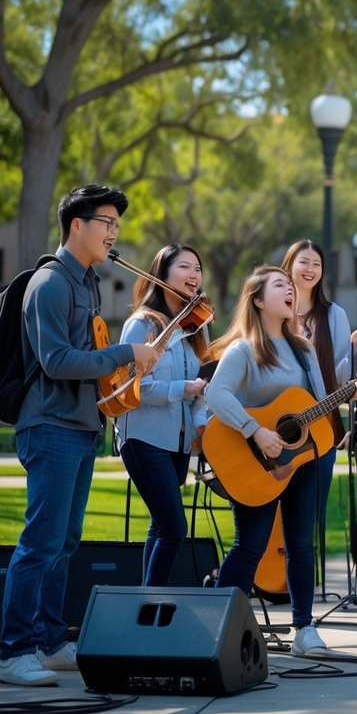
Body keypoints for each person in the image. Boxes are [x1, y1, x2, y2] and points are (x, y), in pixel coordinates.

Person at [0, 184, 159, 686]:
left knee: (64, 542)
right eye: (106, 223)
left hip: (81, 425)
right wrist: (127, 356)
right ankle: (13, 651)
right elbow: (56, 361)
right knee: (41, 541)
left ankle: (47, 640)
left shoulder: (86, 284)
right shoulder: (50, 284)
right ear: (77, 225)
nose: (114, 233)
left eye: (116, 225)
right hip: (49, 425)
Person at [206, 266, 357, 657]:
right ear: (258, 300)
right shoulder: (244, 349)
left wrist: (351, 393)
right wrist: (256, 431)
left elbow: (315, 405)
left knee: (301, 545)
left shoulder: (304, 348)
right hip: (253, 461)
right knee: (250, 546)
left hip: (305, 460)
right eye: (280, 284)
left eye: (289, 285)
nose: (290, 290)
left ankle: (304, 629)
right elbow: (217, 395)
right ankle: (215, 625)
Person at [115, 244, 211, 586]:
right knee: (174, 527)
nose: (194, 275)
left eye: (198, 269)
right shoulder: (142, 324)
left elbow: (202, 386)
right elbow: (133, 390)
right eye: (185, 267)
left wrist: (201, 416)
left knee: (160, 525)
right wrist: (183, 388)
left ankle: (145, 604)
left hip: (179, 441)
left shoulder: (196, 326)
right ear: (162, 274)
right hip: (144, 437)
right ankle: (148, 604)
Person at [280, 241, 357, 516]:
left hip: (320, 426)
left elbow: (340, 378)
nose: (310, 269)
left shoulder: (334, 315)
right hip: (274, 423)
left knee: (307, 523)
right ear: (289, 266)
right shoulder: (272, 311)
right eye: (304, 262)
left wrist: (354, 350)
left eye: (316, 264)